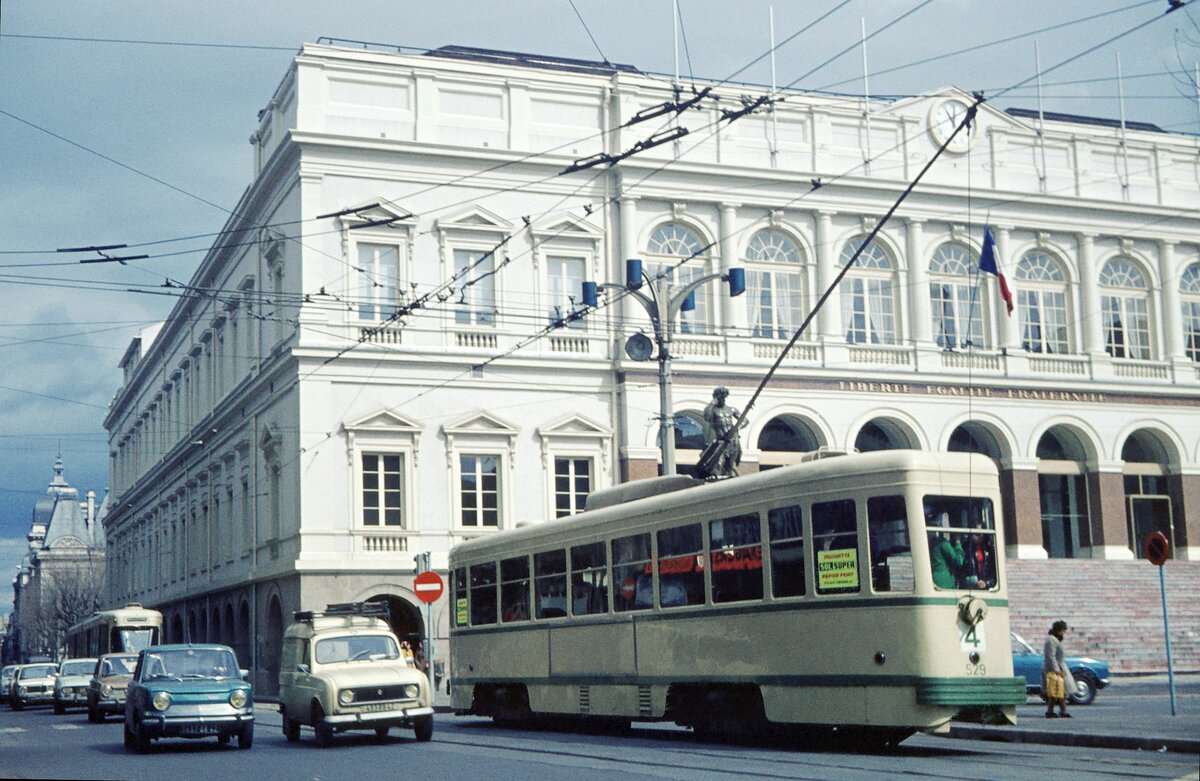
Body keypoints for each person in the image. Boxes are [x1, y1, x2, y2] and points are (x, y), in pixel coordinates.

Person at [702, 387, 744, 477]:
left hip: (733, 440)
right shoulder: (712, 410)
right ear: (715, 397)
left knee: (730, 464)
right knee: (718, 463)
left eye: (724, 397)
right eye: (720, 397)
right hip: (721, 440)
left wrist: (736, 428)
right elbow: (706, 417)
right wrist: (712, 404)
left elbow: (744, 421)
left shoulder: (731, 409)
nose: (723, 399)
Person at [1042, 620, 1076, 718]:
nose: (1064, 632)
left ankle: (1056, 711)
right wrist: (1056, 669)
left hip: (1058, 667)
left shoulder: (1054, 639)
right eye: (1063, 630)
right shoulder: (1051, 640)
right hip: (1055, 668)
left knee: (1059, 691)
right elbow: (1051, 655)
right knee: (1058, 690)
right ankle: (1060, 711)